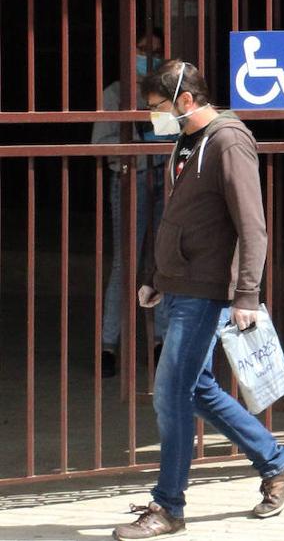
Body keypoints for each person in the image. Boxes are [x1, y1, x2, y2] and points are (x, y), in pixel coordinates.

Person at [112, 60, 284, 540]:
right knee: (195, 389)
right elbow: (184, 217)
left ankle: (168, 505)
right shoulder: (186, 141)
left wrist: (246, 293)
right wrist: (158, 275)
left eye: (156, 108)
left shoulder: (228, 141)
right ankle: (278, 464)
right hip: (179, 284)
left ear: (185, 101)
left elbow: (252, 224)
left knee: (170, 393)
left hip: (206, 291)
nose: (151, 117)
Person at [91, 35, 175, 378]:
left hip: (163, 181)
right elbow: (101, 143)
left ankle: (160, 343)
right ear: (131, 53)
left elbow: (175, 139)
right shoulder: (115, 92)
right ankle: (108, 347)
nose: (148, 58)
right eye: (143, 51)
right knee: (124, 264)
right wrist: (138, 150)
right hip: (131, 181)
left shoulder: (167, 95)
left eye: (155, 53)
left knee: (161, 263)